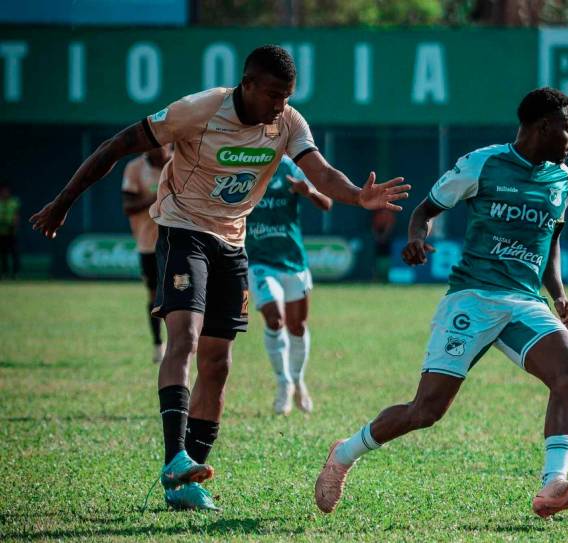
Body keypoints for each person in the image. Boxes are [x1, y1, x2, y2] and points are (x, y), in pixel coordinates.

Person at [30, 45, 410, 511]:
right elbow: (117, 145)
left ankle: (189, 480)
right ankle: (175, 456)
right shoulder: (200, 110)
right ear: (247, 84)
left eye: (286, 96)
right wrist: (64, 201)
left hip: (232, 243)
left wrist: (357, 195)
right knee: (184, 339)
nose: (278, 105)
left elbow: (320, 172)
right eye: (272, 94)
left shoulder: (289, 121)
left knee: (218, 363)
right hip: (184, 229)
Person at [315, 87, 568, 519]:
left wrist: (558, 294)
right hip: (473, 296)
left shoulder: (563, 179)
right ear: (543, 126)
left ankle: (552, 486)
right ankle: (344, 453)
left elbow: (552, 242)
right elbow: (424, 212)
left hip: (524, 301)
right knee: (426, 410)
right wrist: (415, 240)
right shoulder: (482, 163)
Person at [245, 154, 332, 415]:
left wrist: (308, 192)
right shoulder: (240, 163)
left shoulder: (290, 166)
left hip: (293, 261)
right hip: (259, 260)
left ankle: (298, 380)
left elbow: (326, 203)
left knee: (297, 326)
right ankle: (283, 383)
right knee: (274, 319)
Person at [122, 145, 173, 363]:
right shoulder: (135, 168)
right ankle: (158, 344)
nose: (162, 148)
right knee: (154, 296)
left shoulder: (181, 160)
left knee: (181, 294)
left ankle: (179, 346)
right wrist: (156, 197)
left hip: (177, 243)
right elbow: (128, 206)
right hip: (148, 243)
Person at [0, 184, 21, 279]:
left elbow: (17, 215)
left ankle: (15, 273)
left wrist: (14, 226)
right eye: (3, 191)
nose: (5, 193)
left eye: (7, 191)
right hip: (1, 233)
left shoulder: (14, 202)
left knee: (14, 253)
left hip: (11, 232)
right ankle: (4, 273)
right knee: (3, 254)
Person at [371, 208, 397, 282]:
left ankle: (387, 277)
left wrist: (383, 236)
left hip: (388, 240)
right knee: (375, 259)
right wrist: (377, 237)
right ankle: (376, 277)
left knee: (388, 258)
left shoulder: (389, 214)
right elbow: (374, 227)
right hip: (377, 241)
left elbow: (390, 226)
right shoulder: (377, 214)